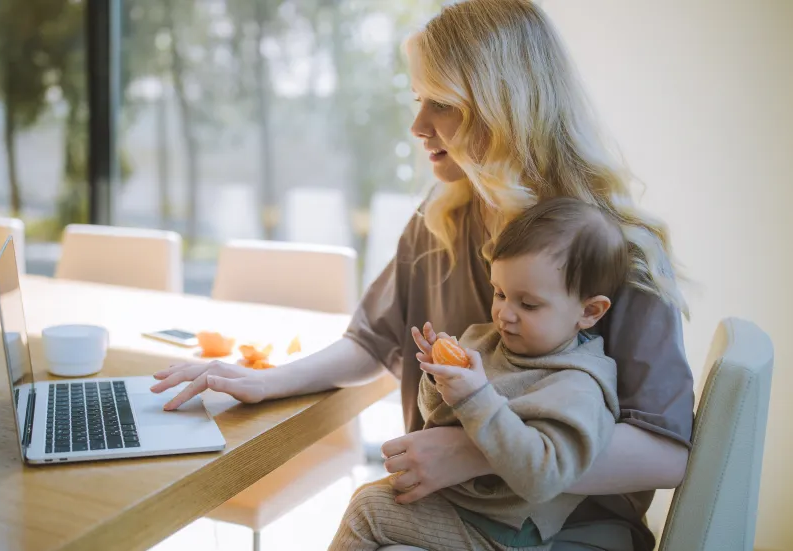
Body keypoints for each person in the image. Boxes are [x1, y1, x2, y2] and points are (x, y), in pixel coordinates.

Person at [150, 1, 694, 549]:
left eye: (443, 104)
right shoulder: (442, 217)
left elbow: (665, 451)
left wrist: (475, 452)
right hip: (451, 511)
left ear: (505, 107)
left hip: (568, 531)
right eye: (418, 100)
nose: (417, 126)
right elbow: (373, 341)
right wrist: (269, 380)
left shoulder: (614, 247)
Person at [329, 197, 628, 551]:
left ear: (590, 311)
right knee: (371, 495)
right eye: (499, 293)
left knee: (368, 510)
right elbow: (440, 420)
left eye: (528, 304)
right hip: (460, 505)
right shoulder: (486, 340)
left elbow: (543, 477)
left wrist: (475, 396)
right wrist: (439, 380)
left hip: (502, 532)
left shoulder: (577, 384)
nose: (505, 314)